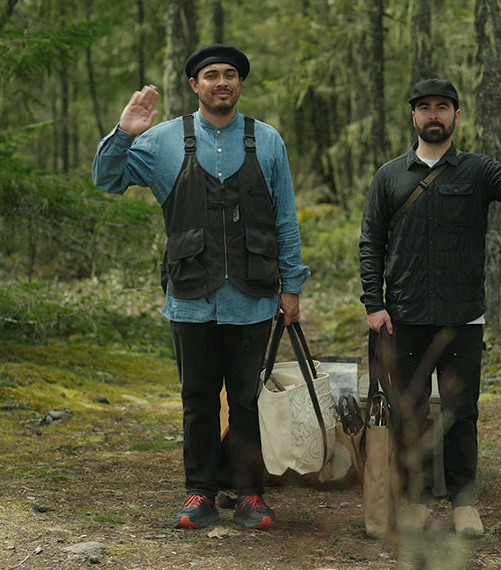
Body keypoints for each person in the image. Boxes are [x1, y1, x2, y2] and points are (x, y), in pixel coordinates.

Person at [92, 44, 309, 530]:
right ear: (195, 85)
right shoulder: (163, 140)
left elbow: (285, 220)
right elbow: (106, 179)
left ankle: (251, 494)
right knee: (197, 398)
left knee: (249, 399)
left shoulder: (267, 141)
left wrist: (291, 285)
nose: (222, 82)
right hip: (190, 296)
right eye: (211, 75)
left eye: (230, 74)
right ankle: (200, 493)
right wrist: (123, 135)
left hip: (253, 297)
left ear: (239, 83)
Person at [359, 78, 501, 538]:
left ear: (456, 116)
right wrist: (374, 303)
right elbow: (371, 243)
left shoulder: (478, 171)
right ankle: (417, 500)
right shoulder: (389, 175)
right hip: (405, 316)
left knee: (461, 411)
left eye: (443, 107)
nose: (434, 115)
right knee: (410, 413)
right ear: (414, 117)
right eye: (425, 108)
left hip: (463, 315)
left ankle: (464, 503)